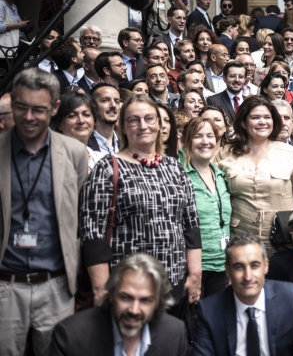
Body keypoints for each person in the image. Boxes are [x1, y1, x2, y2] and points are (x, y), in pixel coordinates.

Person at [79, 95, 202, 318]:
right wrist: (100, 288)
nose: (143, 125)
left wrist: (194, 274)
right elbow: (93, 234)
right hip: (129, 289)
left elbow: (191, 224)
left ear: (159, 123)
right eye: (134, 120)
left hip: (174, 284)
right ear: (123, 127)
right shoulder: (107, 169)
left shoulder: (174, 167)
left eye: (149, 118)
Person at [0, 68, 88, 356]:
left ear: (55, 108)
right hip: (5, 287)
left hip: (57, 286)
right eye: (22, 107)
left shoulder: (74, 152)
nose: (28, 117)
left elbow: (82, 216)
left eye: (38, 109)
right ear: (11, 103)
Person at [193, 234, 293, 356]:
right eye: (239, 267)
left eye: (255, 265)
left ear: (266, 266)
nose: (248, 276)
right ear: (227, 270)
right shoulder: (209, 310)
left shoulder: (290, 297)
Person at [214, 96, 293, 256]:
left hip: (282, 241)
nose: (262, 122)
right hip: (240, 240)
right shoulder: (225, 153)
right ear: (243, 123)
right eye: (255, 117)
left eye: (267, 117)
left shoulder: (288, 153)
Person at [49, 253, 188, 356]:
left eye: (145, 300)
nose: (134, 310)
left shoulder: (174, 335)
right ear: (111, 295)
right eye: (126, 298)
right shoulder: (71, 336)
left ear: (157, 302)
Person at [180, 118, 231, 297]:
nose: (205, 141)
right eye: (198, 136)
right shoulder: (179, 174)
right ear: (187, 140)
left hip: (221, 266)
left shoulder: (221, 175)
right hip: (192, 267)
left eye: (210, 136)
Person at [52, 92, 102, 172]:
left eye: (86, 115)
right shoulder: (50, 159)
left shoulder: (101, 159)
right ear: (59, 124)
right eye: (72, 115)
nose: (81, 121)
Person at [88, 83, 122, 156]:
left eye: (117, 101)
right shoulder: (83, 144)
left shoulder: (127, 144)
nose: (113, 105)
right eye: (105, 100)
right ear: (93, 106)